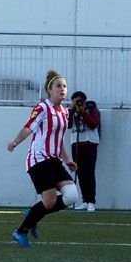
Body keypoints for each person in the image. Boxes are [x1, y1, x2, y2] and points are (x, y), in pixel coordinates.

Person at [7, 69, 79, 248]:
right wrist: (15, 142)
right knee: (50, 201)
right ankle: (21, 231)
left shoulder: (64, 112)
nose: (62, 89)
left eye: (64, 86)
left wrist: (67, 159)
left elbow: (59, 139)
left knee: (71, 196)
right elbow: (28, 128)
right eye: (58, 86)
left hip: (54, 161)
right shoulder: (42, 107)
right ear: (49, 90)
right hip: (39, 160)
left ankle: (33, 214)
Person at [68, 90, 101, 212]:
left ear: (85, 101)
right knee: (80, 173)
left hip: (89, 144)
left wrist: (83, 112)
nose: (77, 103)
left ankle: (91, 201)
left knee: (89, 173)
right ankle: (85, 201)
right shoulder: (70, 111)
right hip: (76, 144)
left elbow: (93, 124)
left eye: (79, 101)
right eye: (75, 101)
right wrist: (72, 110)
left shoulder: (92, 109)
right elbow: (68, 125)